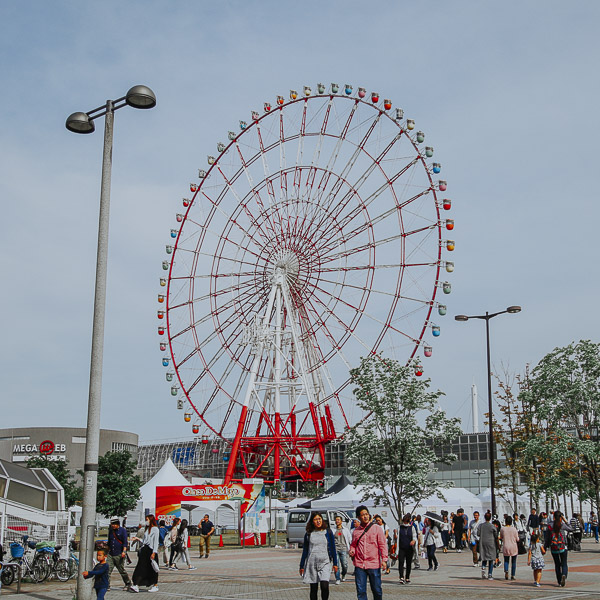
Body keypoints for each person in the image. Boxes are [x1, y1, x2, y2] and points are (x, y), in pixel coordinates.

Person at [349, 505, 388, 600]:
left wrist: (384, 560)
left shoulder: (377, 528)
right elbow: (353, 544)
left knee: (377, 590)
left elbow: (382, 545)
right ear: (358, 517)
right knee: (361, 591)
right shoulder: (355, 532)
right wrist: (352, 550)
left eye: (367, 514)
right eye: (363, 515)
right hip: (359, 565)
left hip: (373, 564)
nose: (365, 516)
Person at [299, 512, 338, 600]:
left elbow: (332, 547)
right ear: (312, 521)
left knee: (324, 586)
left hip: (325, 562)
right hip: (312, 564)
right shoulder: (309, 534)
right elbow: (305, 550)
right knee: (313, 589)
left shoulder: (327, 532)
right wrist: (301, 565)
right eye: (316, 519)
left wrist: (335, 563)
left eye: (319, 519)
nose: (318, 521)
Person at [129, 514, 160, 593]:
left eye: (147, 520)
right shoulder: (146, 529)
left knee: (153, 569)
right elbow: (145, 540)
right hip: (145, 549)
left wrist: (154, 552)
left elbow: (156, 542)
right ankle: (136, 584)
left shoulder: (155, 529)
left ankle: (155, 585)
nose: (146, 521)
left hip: (151, 550)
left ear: (151, 520)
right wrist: (138, 539)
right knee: (141, 567)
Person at [107, 518, 132, 590]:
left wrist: (124, 551)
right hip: (111, 553)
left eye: (114, 524)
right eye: (112, 524)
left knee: (121, 570)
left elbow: (125, 542)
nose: (113, 526)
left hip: (119, 554)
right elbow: (109, 541)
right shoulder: (111, 531)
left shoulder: (122, 531)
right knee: (108, 570)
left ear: (118, 524)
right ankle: (107, 585)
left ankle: (128, 583)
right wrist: (107, 552)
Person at [549, 510, 571, 587]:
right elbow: (571, 529)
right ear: (561, 517)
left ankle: (559, 581)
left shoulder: (550, 525)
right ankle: (564, 575)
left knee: (557, 564)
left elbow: (547, 537)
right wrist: (565, 520)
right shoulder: (562, 524)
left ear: (554, 516)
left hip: (554, 547)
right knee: (564, 563)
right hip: (563, 546)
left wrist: (545, 546)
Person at [479, 512, 499, 580]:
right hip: (491, 543)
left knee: (484, 557)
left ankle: (483, 570)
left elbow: (478, 533)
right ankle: (490, 574)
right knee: (491, 559)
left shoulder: (481, 525)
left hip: (483, 542)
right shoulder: (492, 526)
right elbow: (496, 535)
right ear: (490, 518)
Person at [396, 514, 416, 585]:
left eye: (406, 521)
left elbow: (414, 536)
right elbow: (398, 538)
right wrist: (396, 550)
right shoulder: (400, 527)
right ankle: (401, 577)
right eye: (404, 521)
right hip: (402, 547)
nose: (405, 522)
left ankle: (407, 577)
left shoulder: (412, 528)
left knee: (408, 563)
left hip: (409, 548)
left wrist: (413, 541)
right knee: (401, 562)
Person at [333, 515, 351, 584]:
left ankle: (343, 574)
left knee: (345, 564)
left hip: (343, 549)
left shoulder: (345, 530)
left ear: (341, 521)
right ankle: (337, 578)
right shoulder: (333, 530)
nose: (337, 521)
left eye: (338, 520)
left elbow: (350, 539)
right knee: (336, 565)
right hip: (335, 549)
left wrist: (351, 548)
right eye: (336, 520)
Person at [500, 515, 519, 581]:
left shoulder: (503, 529)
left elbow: (501, 537)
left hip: (506, 546)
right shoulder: (514, 529)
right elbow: (517, 539)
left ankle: (506, 571)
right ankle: (513, 575)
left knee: (506, 560)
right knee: (513, 561)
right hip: (513, 546)